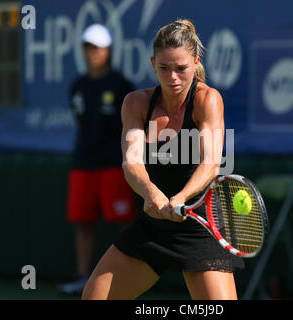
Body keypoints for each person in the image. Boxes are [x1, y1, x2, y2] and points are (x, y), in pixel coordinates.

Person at [82, 19, 244, 300]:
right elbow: (132, 162)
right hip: (153, 226)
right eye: (164, 68)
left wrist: (181, 197)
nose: (173, 78)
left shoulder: (208, 100)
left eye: (181, 68)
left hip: (200, 224)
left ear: (195, 62)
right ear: (152, 63)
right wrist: (150, 192)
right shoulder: (136, 103)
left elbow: (211, 163)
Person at [58, 24, 136, 295]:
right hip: (83, 164)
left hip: (114, 165)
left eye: (97, 48)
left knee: (124, 219)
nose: (92, 53)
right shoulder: (77, 86)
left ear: (108, 50)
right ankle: (83, 276)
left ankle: (127, 276)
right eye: (87, 48)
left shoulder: (122, 85)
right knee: (83, 221)